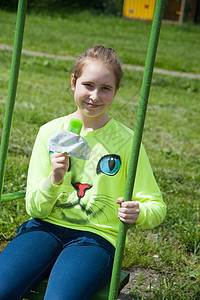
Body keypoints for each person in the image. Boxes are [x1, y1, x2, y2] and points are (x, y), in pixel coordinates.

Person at [0, 45, 166, 300]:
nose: (95, 96)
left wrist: (139, 212)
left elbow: (156, 206)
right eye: (88, 85)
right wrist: (54, 180)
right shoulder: (50, 132)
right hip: (44, 227)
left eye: (105, 88)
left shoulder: (128, 142)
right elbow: (34, 208)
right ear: (73, 82)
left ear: (116, 91)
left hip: (95, 238)